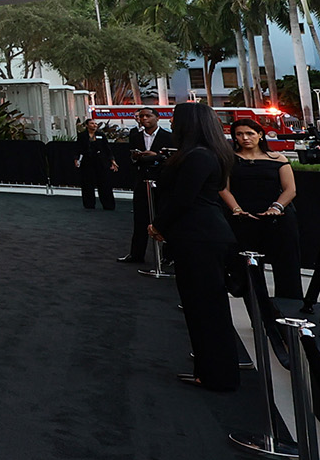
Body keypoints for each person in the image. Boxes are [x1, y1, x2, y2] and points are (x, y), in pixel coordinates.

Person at [149, 102, 240, 391]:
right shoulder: (207, 153)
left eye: (175, 120)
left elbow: (183, 198)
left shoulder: (198, 156)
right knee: (201, 307)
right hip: (200, 235)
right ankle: (209, 370)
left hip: (200, 236)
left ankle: (217, 374)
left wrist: (159, 225)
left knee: (206, 309)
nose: (172, 125)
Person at [222, 118, 305, 307]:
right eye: (239, 134)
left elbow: (290, 189)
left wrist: (276, 208)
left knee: (287, 266)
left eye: (250, 133)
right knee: (248, 269)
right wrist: (237, 209)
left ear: (260, 135)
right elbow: (223, 188)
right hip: (243, 219)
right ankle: (259, 315)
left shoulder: (278, 158)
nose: (245, 138)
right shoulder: (229, 159)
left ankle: (290, 311)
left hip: (278, 219)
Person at [119, 108, 175, 264]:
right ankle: (136, 254)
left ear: (157, 118)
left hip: (163, 182)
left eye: (148, 116)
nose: (144, 119)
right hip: (142, 181)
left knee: (164, 217)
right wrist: (136, 157)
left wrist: (156, 157)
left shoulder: (168, 137)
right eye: (141, 116)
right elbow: (131, 158)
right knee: (140, 219)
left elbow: (172, 158)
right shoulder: (135, 136)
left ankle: (168, 256)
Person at [73, 117, 119, 211]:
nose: (94, 125)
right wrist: (76, 159)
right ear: (87, 125)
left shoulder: (101, 135)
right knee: (87, 184)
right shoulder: (82, 136)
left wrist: (112, 160)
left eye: (95, 124)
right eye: (92, 123)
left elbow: (107, 149)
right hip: (87, 163)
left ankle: (108, 205)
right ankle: (89, 205)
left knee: (104, 184)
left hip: (102, 162)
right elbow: (78, 149)